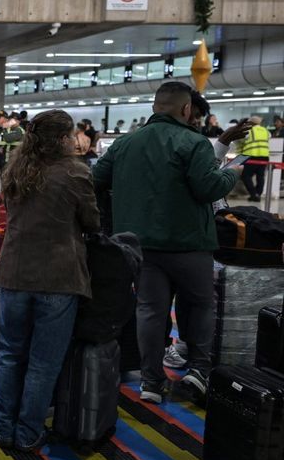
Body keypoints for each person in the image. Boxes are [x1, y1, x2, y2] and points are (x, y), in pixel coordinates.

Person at [94, 81, 241, 404]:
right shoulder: (194, 143)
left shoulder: (124, 144)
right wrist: (232, 174)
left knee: (150, 311)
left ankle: (151, 381)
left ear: (154, 107)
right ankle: (198, 371)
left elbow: (95, 180)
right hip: (189, 244)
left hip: (139, 245)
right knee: (201, 304)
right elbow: (207, 189)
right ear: (187, 110)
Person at [0, 110, 100, 452]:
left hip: (13, 274)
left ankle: (2, 427)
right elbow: (92, 223)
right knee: (43, 362)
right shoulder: (75, 172)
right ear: (63, 138)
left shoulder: (16, 170)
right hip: (58, 278)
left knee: (9, 354)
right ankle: (27, 434)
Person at [238, 115, 271, 202]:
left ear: (251, 123)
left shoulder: (249, 131)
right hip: (264, 157)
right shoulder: (266, 131)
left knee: (246, 176)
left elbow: (240, 141)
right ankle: (257, 195)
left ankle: (253, 194)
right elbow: (269, 138)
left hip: (251, 156)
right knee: (260, 177)